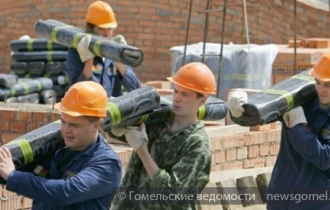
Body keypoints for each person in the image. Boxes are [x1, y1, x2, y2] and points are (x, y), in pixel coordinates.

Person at [227, 52, 330, 210]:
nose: (321, 89)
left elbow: (323, 158)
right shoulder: (304, 101)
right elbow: (265, 112)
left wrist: (296, 127)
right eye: (318, 82)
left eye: (328, 85)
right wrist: (242, 107)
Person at [108, 62, 216, 209]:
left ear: (202, 100)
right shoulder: (157, 124)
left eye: (185, 94)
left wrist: (142, 150)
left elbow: (170, 192)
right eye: (176, 91)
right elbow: (112, 128)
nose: (177, 98)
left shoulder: (197, 143)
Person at [0, 81, 122, 210]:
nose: (65, 130)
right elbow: (15, 172)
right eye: (63, 122)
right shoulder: (53, 150)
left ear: (96, 125)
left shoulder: (108, 163)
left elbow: (63, 193)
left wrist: (12, 176)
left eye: (74, 125)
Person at [65, 1, 141, 97]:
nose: (106, 34)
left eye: (109, 29)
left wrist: (121, 64)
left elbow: (137, 89)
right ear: (90, 29)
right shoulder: (76, 52)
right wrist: (89, 62)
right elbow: (76, 93)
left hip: (111, 110)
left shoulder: (115, 52)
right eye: (101, 29)